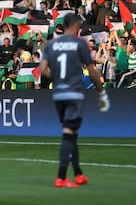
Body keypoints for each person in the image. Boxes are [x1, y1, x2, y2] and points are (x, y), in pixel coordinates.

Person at [39, 14, 110, 188]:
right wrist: (102, 94)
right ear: (76, 25)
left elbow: (42, 69)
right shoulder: (79, 44)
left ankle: (78, 173)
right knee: (69, 134)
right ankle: (61, 176)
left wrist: (57, 79)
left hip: (58, 95)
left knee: (72, 134)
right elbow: (92, 71)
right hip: (74, 94)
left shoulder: (52, 44)